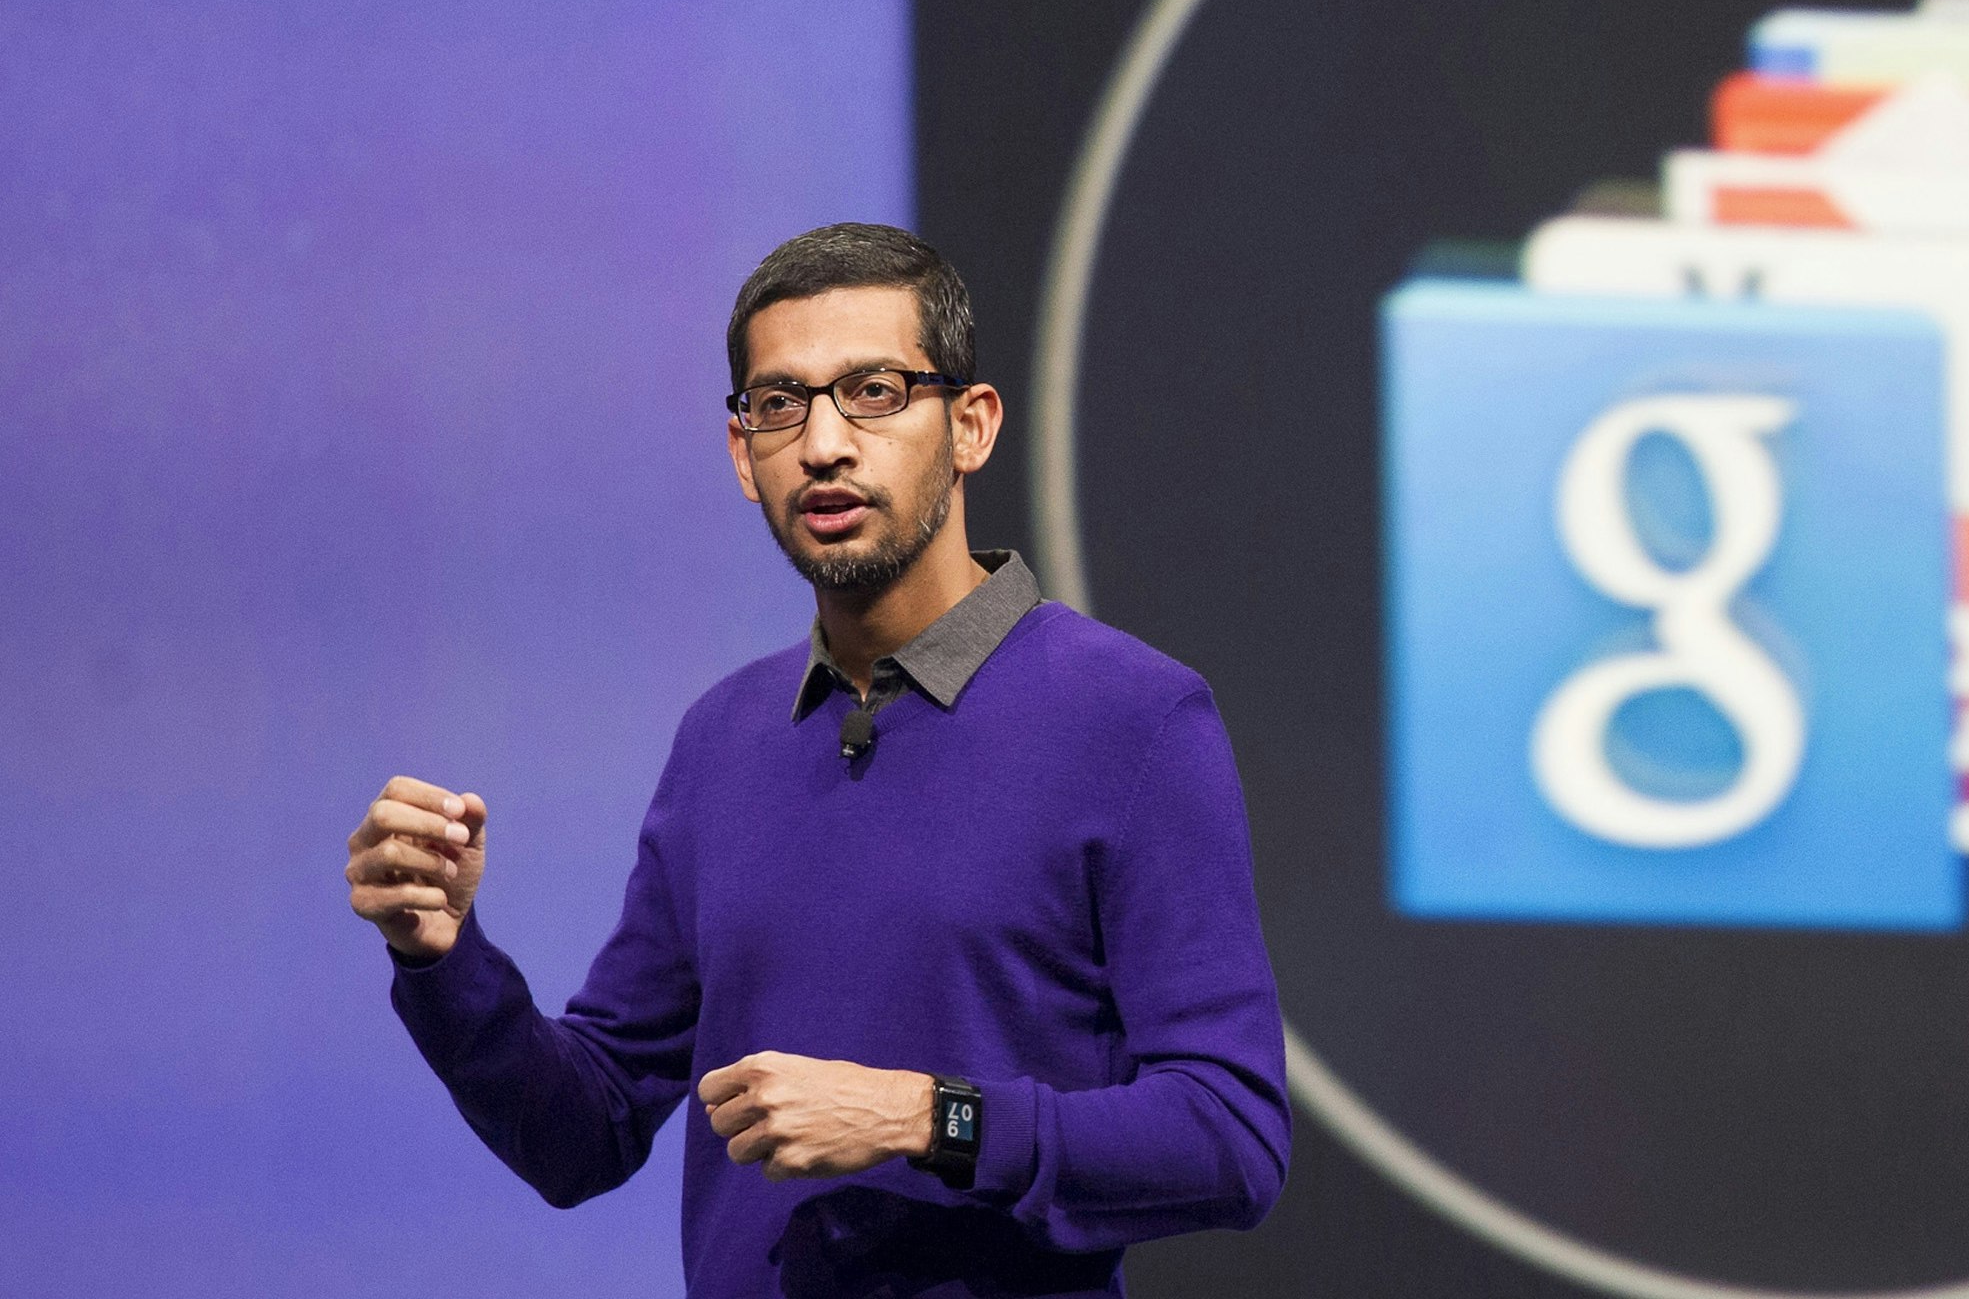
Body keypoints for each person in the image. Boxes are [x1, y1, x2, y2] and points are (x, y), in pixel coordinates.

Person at [342, 225, 1286, 1297]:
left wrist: (926, 1117)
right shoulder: (722, 739)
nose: (824, 445)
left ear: (971, 426)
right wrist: (442, 957)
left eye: (874, 392)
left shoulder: (1133, 719)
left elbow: (1230, 1136)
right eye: (781, 404)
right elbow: (584, 1130)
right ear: (743, 453)